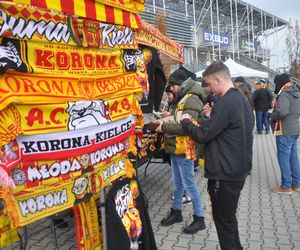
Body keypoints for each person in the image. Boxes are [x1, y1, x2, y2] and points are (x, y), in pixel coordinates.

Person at [181, 61, 254, 250]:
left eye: (208, 84)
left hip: (224, 173)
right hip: (237, 170)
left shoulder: (226, 103)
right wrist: (212, 116)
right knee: (228, 221)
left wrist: (187, 123)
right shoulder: (240, 100)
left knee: (223, 223)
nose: (208, 89)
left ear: (219, 80)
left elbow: (203, 135)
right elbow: (224, 129)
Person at [156, 66, 206, 234]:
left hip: (185, 148)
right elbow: (180, 119)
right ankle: (176, 211)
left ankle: (199, 218)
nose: (171, 89)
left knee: (189, 185)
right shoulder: (184, 97)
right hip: (177, 147)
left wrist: (164, 127)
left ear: (179, 84)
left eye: (172, 86)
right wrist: (166, 120)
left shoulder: (191, 99)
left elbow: (187, 127)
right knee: (178, 183)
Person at [163, 85, 192, 205]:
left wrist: (165, 123)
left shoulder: (187, 102)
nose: (167, 97)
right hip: (176, 146)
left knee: (185, 176)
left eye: (169, 94)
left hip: (182, 146)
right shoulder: (176, 104)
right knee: (178, 177)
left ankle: (189, 197)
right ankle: (181, 200)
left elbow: (182, 126)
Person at [271, 73, 300, 194]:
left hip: (285, 131)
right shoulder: (296, 92)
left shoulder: (284, 94)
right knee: (293, 157)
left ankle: (286, 186)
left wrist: (273, 116)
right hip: (295, 129)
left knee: (283, 158)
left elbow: (282, 111)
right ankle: (297, 183)